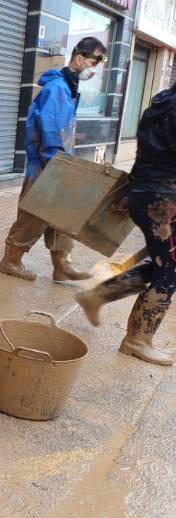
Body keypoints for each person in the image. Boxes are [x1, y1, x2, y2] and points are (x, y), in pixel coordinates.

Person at [75, 85, 176, 366]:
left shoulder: (161, 102)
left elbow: (147, 153)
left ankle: (98, 295)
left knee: (163, 263)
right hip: (163, 199)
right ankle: (138, 339)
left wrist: (132, 189)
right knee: (170, 267)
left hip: (148, 193)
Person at [0, 37, 108, 281]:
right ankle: (11, 260)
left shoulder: (69, 88)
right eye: (93, 63)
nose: (95, 70)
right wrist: (56, 164)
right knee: (34, 214)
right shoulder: (56, 88)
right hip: (47, 164)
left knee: (63, 214)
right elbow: (48, 128)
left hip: (59, 162)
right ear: (79, 59)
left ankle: (61, 264)